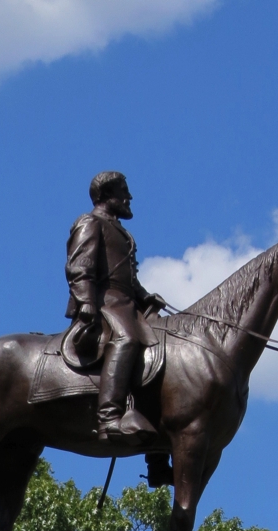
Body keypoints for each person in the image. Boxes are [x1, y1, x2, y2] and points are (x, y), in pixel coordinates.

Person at [65, 171, 166, 440]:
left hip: (126, 302)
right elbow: (80, 268)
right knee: (128, 339)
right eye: (124, 191)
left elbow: (126, 277)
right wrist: (86, 302)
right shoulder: (90, 222)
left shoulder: (119, 230)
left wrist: (145, 297)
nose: (129, 197)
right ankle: (108, 418)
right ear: (107, 195)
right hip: (105, 303)